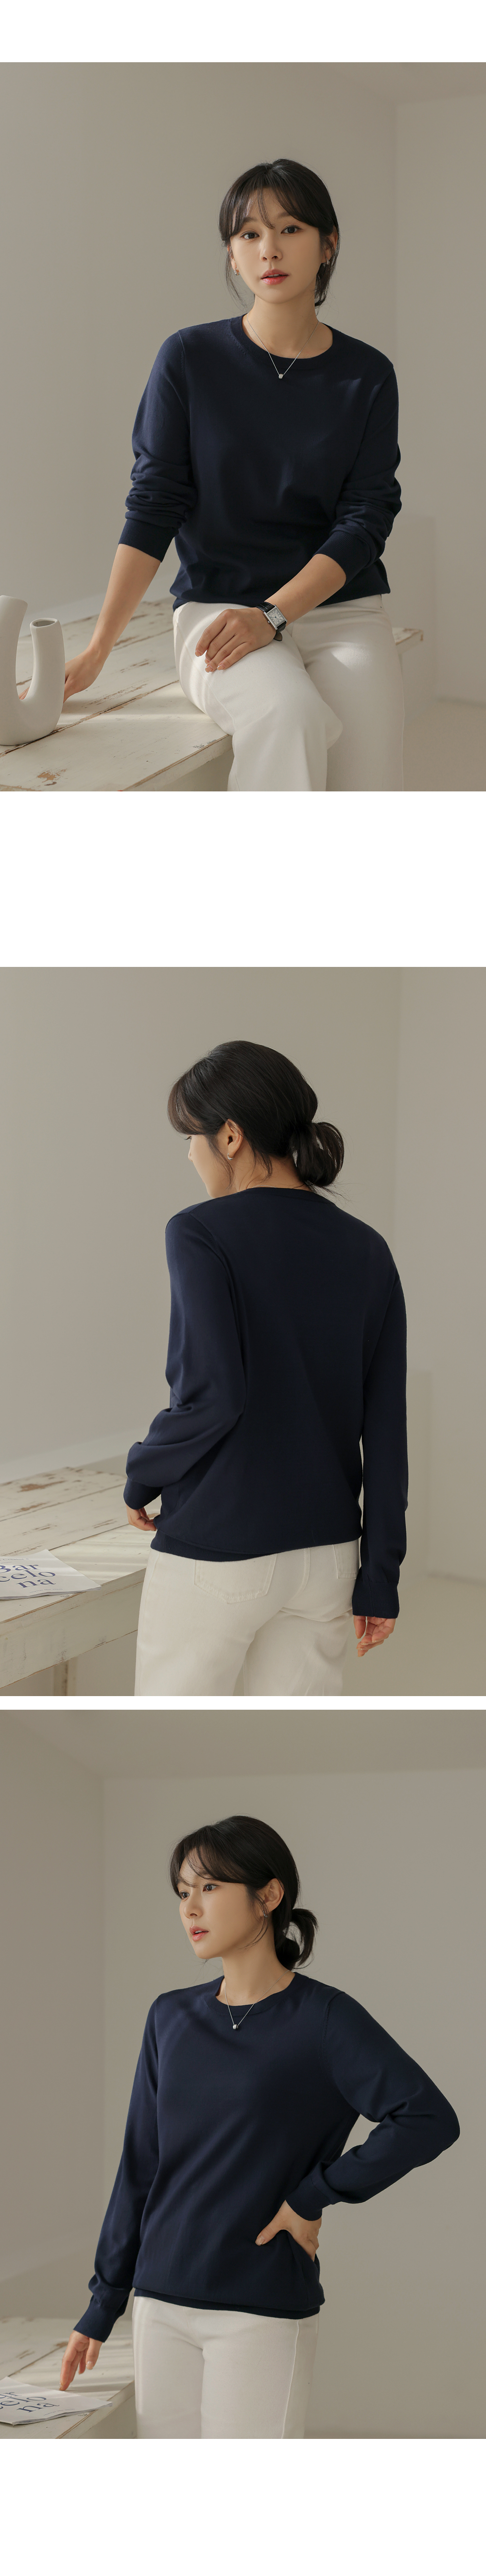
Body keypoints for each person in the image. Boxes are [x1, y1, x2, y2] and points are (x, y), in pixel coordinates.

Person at [59, 1813, 459, 2440]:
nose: (191, 1908)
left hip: (259, 2307)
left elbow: (428, 2118)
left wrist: (313, 2195)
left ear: (269, 1896)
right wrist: (103, 2303)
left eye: (210, 1887)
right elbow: (141, 2164)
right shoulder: (169, 2018)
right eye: (183, 1892)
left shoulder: (325, 2019)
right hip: (160, 2303)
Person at [62, 157, 405, 792]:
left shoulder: (368, 375)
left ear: (328, 245)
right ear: (232, 253)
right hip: (218, 611)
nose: (269, 249)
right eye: (250, 233)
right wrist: (98, 649)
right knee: (289, 715)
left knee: (371, 785)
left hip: (342, 613)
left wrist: (274, 615)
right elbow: (155, 503)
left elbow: (367, 519)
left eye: (291, 229)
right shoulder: (188, 358)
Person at [122, 1037, 408, 1697]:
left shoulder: (199, 1231)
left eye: (190, 1137)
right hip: (329, 1559)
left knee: (170, 1737)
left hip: (219, 1547)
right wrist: (380, 1578)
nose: (189, 1155)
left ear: (229, 1136)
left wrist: (142, 1474)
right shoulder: (368, 1249)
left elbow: (213, 1398)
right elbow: (386, 1428)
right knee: (290, 1733)